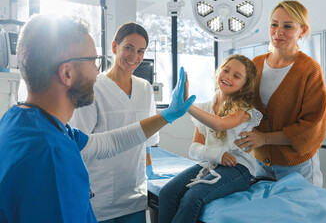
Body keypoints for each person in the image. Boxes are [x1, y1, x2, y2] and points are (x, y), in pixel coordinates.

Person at [0, 14, 195, 223]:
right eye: (93, 61)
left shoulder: (23, 121)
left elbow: (110, 142)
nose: (97, 71)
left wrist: (167, 115)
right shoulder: (52, 157)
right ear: (67, 73)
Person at [158, 54, 262, 223]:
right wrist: (217, 155)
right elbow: (194, 148)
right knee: (167, 193)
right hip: (210, 164)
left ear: (243, 87)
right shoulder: (205, 107)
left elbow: (220, 124)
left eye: (236, 76)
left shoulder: (244, 110)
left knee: (193, 197)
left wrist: (186, 105)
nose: (228, 76)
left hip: (239, 168)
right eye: (226, 70)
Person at [69, 23, 157, 223]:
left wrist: (149, 169)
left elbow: (149, 140)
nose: (134, 56)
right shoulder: (94, 87)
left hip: (134, 193)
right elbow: (79, 143)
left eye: (140, 51)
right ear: (114, 46)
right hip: (99, 194)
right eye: (128, 47)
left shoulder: (145, 88)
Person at [235, 0, 326, 187]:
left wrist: (264, 138)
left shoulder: (309, 70)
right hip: (261, 162)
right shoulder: (255, 64)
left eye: (287, 26)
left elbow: (312, 126)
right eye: (274, 24)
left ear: (302, 31)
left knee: (298, 216)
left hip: (297, 166)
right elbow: (241, 105)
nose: (278, 31)